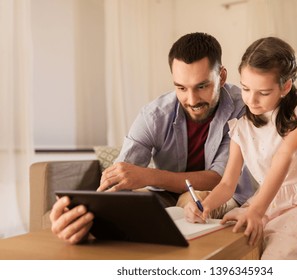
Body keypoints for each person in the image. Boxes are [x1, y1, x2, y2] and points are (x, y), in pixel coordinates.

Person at [50, 32, 254, 244]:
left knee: (197, 199)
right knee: (128, 208)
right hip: (164, 196)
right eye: (181, 88)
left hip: (221, 194)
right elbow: (121, 174)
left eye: (202, 86)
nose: (192, 100)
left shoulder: (243, 107)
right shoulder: (155, 115)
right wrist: (86, 213)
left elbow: (218, 178)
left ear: (221, 77)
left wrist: (149, 176)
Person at [184, 37, 297, 260]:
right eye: (245, 88)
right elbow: (227, 183)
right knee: (229, 248)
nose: (252, 100)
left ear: (285, 86)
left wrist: (256, 210)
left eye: (263, 93)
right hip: (265, 200)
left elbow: (285, 155)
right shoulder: (241, 128)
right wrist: (204, 206)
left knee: (279, 257)